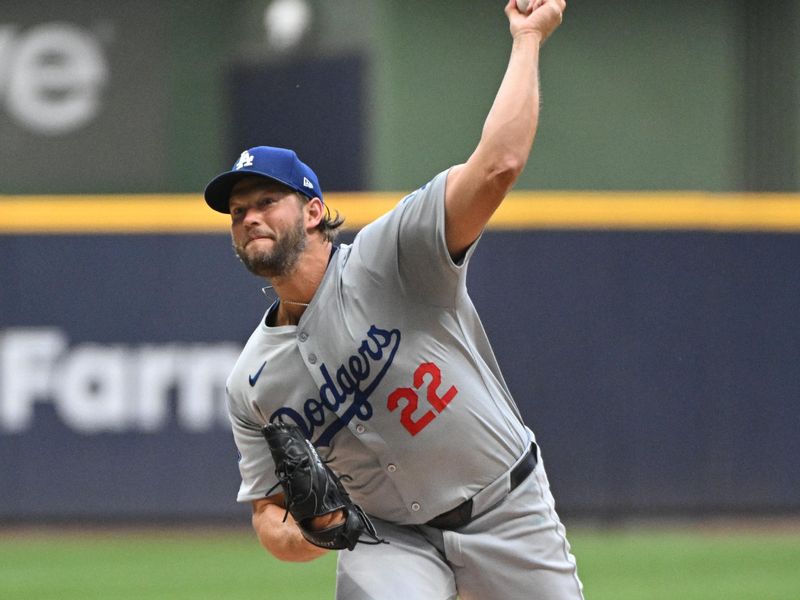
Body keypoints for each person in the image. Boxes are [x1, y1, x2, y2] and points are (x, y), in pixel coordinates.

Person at [204, 1, 581, 598]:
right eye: (237, 211)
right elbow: (267, 517)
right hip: (388, 536)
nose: (248, 217)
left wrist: (528, 37)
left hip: (504, 508)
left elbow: (498, 165)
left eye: (264, 201)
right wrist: (313, 531)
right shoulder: (251, 381)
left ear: (314, 211)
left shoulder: (394, 255)